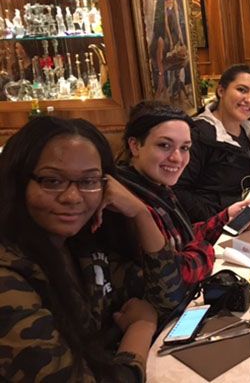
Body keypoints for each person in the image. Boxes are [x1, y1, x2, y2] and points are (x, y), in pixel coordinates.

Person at [0, 116, 184, 381]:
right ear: (18, 183)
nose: (72, 197)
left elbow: (169, 299)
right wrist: (140, 331)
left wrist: (141, 212)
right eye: (52, 181)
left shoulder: (82, 246)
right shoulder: (8, 279)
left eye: (88, 182)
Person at [117, 101, 250, 286]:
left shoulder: (156, 186)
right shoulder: (128, 201)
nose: (177, 158)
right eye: (164, 145)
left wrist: (223, 219)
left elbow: (182, 237)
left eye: (184, 148)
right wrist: (206, 250)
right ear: (135, 146)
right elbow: (176, 276)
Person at [174, 64, 250, 221]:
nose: (249, 100)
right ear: (221, 90)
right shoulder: (197, 135)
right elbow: (178, 191)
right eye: (242, 90)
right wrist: (221, 217)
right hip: (218, 226)